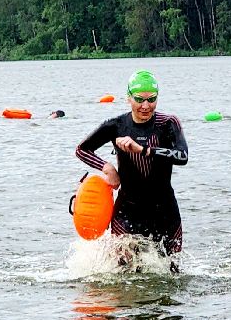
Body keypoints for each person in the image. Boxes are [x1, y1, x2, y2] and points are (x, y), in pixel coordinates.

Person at [76, 69, 189, 269]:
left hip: (165, 211)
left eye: (151, 99)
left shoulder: (168, 123)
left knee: (172, 273)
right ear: (129, 98)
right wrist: (107, 167)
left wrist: (143, 150)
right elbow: (81, 150)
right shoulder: (116, 126)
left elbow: (182, 156)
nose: (146, 106)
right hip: (128, 211)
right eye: (139, 99)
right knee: (122, 271)